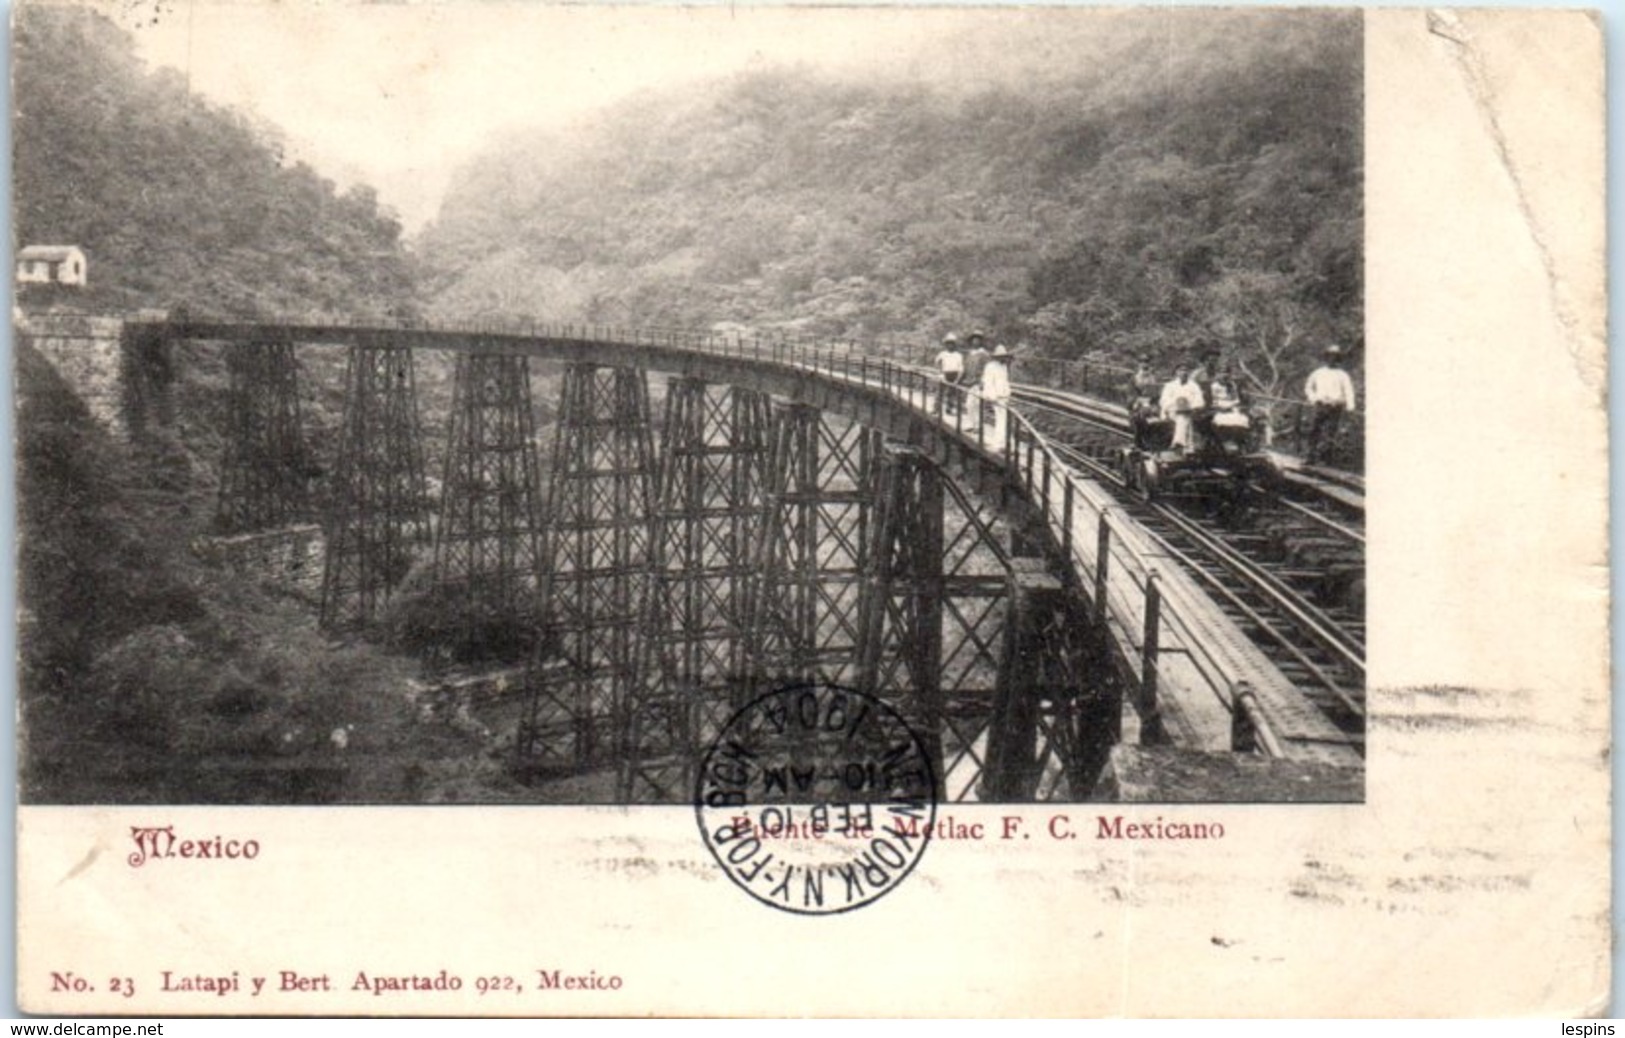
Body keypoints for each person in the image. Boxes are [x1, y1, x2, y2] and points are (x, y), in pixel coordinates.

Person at [1303, 345, 1358, 465]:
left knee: (1330, 432)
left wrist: (1350, 406)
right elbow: (1308, 387)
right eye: (1330, 356)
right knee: (1314, 430)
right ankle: (1310, 457)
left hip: (1335, 406)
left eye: (1335, 357)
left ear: (1338, 359)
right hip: (1321, 405)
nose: (1332, 359)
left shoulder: (1342, 375)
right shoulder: (1318, 373)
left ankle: (1325, 459)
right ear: (1326, 357)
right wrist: (1314, 398)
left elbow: (1349, 391)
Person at [1159, 364, 1205, 453]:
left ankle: (1179, 443)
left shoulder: (1194, 386)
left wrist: (1192, 406)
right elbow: (1164, 400)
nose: (1183, 373)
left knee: (1184, 417)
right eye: (1181, 370)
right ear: (1176, 373)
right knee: (1183, 417)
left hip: (1191, 411)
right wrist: (1176, 405)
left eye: (1186, 370)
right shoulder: (1170, 386)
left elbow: (1199, 400)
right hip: (1173, 412)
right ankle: (1187, 447)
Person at [980, 343, 1014, 445]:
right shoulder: (990, 366)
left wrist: (1008, 392)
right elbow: (988, 382)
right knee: (1001, 418)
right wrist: (992, 396)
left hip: (1004, 395)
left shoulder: (1004, 366)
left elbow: (1005, 381)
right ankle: (999, 440)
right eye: (1000, 357)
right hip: (996, 396)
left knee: (1003, 418)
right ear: (996, 357)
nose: (1002, 358)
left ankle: (1002, 439)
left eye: (1003, 356)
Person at [935, 332, 965, 417]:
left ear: (954, 345)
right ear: (946, 345)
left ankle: (949, 408)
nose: (950, 346)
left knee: (951, 393)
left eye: (952, 344)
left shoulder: (958, 355)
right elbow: (937, 362)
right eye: (948, 344)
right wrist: (940, 372)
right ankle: (936, 408)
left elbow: (961, 367)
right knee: (940, 391)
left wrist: (957, 379)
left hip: (954, 374)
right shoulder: (942, 354)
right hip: (945, 373)